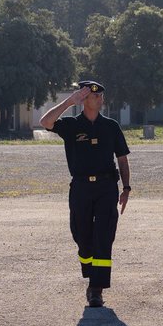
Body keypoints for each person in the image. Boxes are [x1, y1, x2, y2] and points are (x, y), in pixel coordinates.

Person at [40, 81, 131, 307]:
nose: (100, 100)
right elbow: (45, 122)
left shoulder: (111, 127)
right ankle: (90, 271)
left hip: (106, 187)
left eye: (101, 96)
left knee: (103, 235)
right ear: (84, 99)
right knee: (81, 235)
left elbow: (122, 158)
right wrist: (69, 102)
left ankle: (96, 288)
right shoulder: (71, 125)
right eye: (95, 96)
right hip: (81, 187)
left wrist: (126, 188)